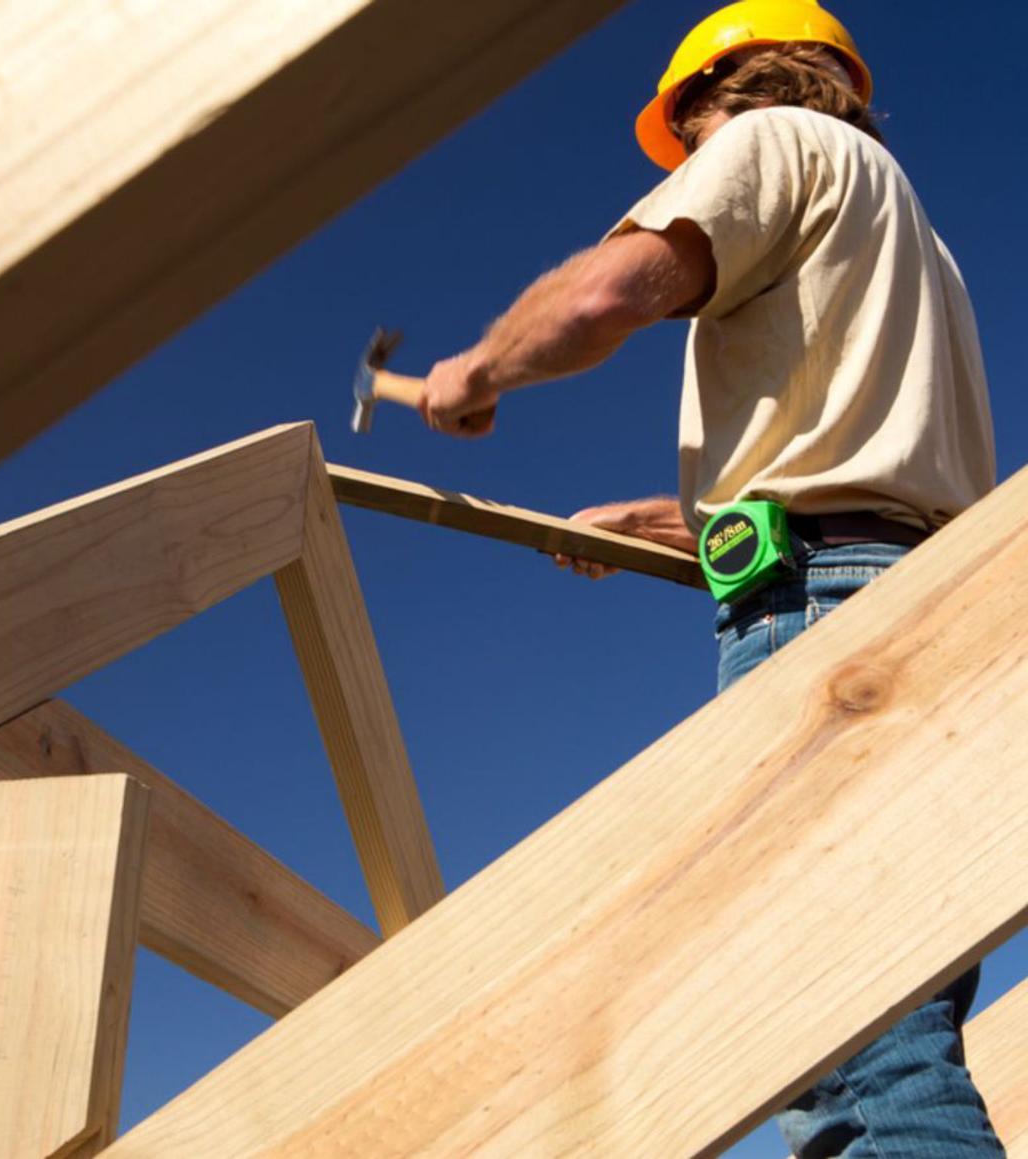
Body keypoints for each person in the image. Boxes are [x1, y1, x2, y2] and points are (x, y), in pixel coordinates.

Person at [416, 1, 1004, 1154]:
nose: (687, 157)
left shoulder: (771, 140)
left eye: (685, 136)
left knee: (843, 1049)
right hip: (935, 619)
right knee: (890, 1028)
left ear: (715, 96)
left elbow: (604, 294)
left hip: (826, 624)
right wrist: (672, 521)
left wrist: (475, 368)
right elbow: (857, 474)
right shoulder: (909, 237)